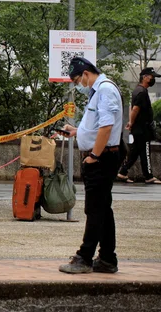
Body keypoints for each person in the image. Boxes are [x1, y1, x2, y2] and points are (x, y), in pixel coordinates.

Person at [59, 57, 124, 275]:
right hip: (101, 156)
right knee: (103, 209)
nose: (79, 85)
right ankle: (107, 258)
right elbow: (98, 126)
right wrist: (78, 132)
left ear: (86, 73)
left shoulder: (104, 90)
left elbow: (106, 127)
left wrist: (94, 156)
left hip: (102, 158)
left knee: (95, 209)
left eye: (78, 80)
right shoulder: (98, 92)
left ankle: (84, 258)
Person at [118, 67, 159, 184]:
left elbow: (133, 108)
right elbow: (135, 109)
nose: (153, 79)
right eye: (152, 77)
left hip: (139, 128)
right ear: (145, 77)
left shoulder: (138, 90)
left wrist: (131, 122)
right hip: (142, 129)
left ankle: (123, 172)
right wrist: (131, 122)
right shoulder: (141, 92)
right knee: (144, 151)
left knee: (136, 152)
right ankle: (148, 176)